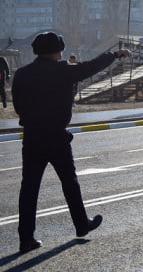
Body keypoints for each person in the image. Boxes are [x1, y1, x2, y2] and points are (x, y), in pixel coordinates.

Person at [12, 32, 131, 253]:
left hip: (31, 137)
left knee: (28, 188)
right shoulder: (63, 70)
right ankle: (81, 224)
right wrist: (115, 55)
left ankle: (25, 238)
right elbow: (91, 67)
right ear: (57, 52)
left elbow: (18, 106)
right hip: (56, 137)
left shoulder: (22, 74)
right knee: (69, 183)